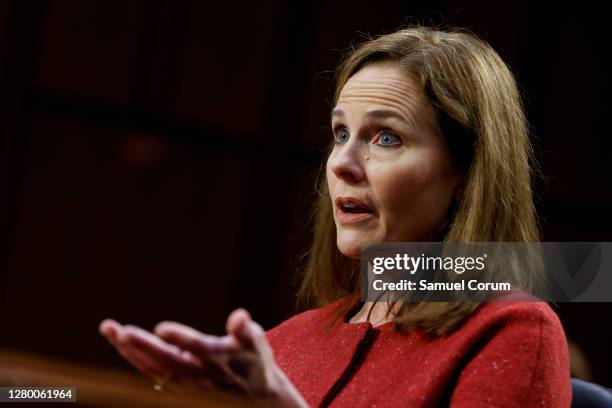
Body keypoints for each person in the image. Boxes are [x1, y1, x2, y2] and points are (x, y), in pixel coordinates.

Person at [99, 26, 571, 407]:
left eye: (386, 137)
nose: (341, 163)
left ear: (465, 173)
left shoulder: (514, 334)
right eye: (340, 133)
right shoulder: (282, 346)